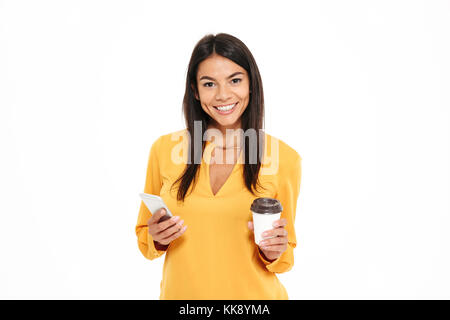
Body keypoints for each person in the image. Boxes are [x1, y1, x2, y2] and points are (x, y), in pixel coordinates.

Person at [135, 33, 302, 300]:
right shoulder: (164, 150)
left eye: (235, 80)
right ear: (195, 90)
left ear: (251, 85)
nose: (223, 95)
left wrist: (273, 251)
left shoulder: (285, 158)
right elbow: (145, 239)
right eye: (209, 83)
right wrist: (157, 237)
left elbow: (286, 255)